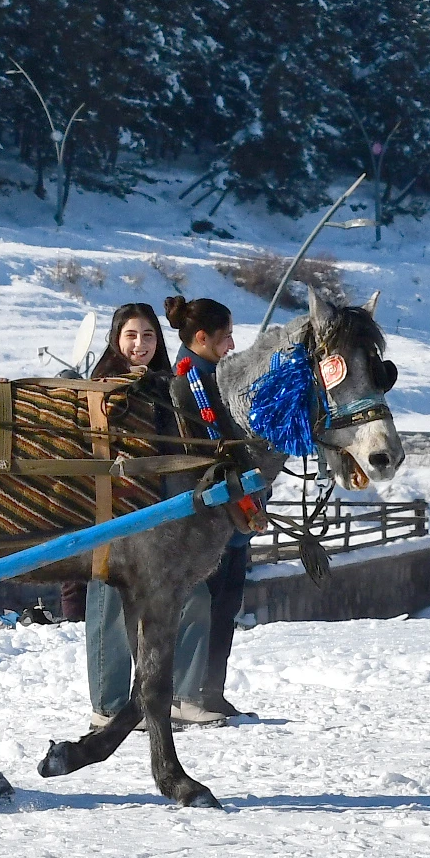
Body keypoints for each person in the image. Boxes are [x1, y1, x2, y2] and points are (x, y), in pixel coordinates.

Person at [81, 302, 223, 729]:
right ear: (115, 339)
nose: (139, 344)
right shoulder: (99, 388)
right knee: (110, 605)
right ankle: (107, 706)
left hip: (163, 516)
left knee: (193, 597)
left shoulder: (173, 386)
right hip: (113, 510)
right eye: (131, 335)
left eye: (148, 336)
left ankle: (182, 695)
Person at [169, 296, 255, 721]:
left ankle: (211, 688)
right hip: (210, 510)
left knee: (227, 603)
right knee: (210, 601)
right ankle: (195, 691)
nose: (232, 345)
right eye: (225, 338)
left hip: (232, 509)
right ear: (200, 338)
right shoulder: (190, 380)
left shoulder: (215, 375)